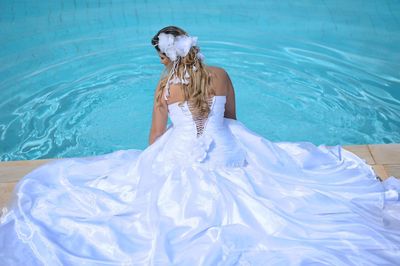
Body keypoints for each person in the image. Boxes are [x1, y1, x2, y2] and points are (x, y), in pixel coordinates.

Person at [0, 25, 399, 266]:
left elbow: (156, 138)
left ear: (164, 56)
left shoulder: (165, 84)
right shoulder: (221, 74)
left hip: (182, 153)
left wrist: (148, 162)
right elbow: (233, 121)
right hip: (228, 150)